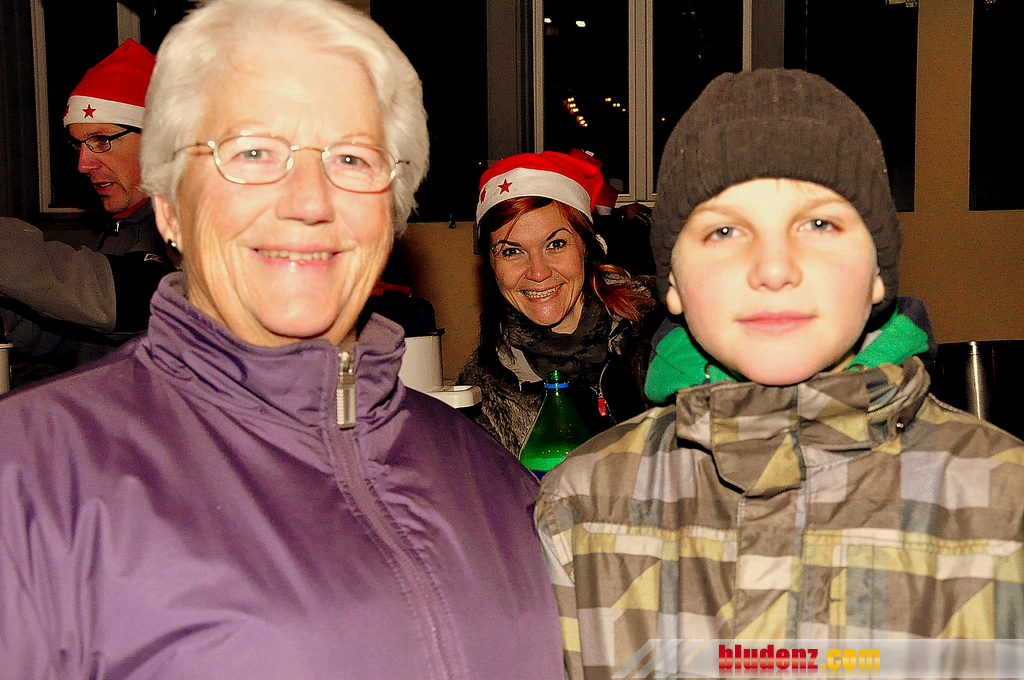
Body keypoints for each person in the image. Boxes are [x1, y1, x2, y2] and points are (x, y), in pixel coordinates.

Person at [0, 1, 563, 678]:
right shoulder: (30, 476)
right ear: (170, 207)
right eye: (252, 152)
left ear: (390, 214)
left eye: (352, 157)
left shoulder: (490, 478)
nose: (309, 200)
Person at [534, 69, 1024, 679]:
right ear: (674, 283)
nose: (772, 268)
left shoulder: (1005, 502)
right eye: (724, 230)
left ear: (878, 272)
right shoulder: (582, 507)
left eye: (819, 225)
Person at [458, 151, 662, 454]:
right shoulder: (483, 389)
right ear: (491, 264)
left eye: (555, 244)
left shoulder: (661, 325)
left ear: (587, 247)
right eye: (512, 251)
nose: (538, 272)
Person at [0, 39, 172, 379]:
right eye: (79, 145)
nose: (83, 164)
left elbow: (136, 299)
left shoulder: (198, 220)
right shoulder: (123, 229)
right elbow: (83, 339)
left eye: (101, 140)